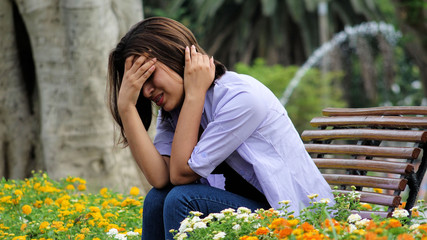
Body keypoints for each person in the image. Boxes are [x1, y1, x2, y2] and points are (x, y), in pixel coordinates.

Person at [107, 17, 333, 240]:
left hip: (294, 217)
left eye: (149, 76)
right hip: (251, 212)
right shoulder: (174, 110)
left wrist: (195, 94)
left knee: (182, 199)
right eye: (138, 84)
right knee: (157, 199)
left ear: (177, 55)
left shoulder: (241, 99)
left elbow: (180, 174)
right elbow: (160, 178)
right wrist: (126, 107)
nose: (146, 92)